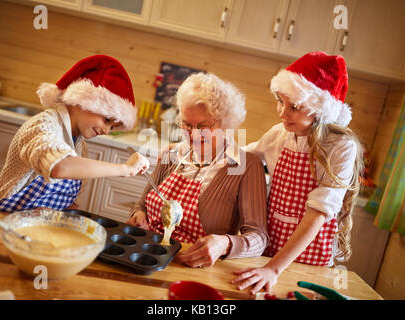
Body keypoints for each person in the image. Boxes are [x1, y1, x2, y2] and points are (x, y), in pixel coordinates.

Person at [231, 52, 364, 294]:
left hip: (309, 253)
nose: (282, 112)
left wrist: (274, 268)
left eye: (294, 107)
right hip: (269, 245)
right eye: (280, 101)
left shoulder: (340, 147)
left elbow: (318, 213)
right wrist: (195, 149)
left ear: (320, 110)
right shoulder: (279, 134)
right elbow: (242, 157)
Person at [127, 72, 268, 267]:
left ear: (226, 124)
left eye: (203, 126)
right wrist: (138, 216)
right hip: (147, 257)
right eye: (186, 124)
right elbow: (141, 205)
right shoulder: (171, 154)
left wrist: (224, 244)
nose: (193, 134)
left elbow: (258, 239)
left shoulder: (245, 166)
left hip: (193, 267)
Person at [0, 55, 150, 213]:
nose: (106, 131)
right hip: (4, 223)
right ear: (83, 100)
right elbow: (59, 167)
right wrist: (125, 169)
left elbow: (64, 200)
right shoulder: (43, 125)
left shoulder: (80, 146)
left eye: (112, 127)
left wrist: (65, 209)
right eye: (107, 120)